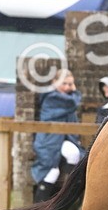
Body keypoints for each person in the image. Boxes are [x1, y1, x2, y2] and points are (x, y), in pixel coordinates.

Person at [32, 69, 82, 202]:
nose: (67, 87)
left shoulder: (67, 98)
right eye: (63, 83)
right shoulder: (51, 97)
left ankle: (67, 196)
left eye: (70, 84)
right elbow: (73, 102)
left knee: (75, 154)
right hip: (48, 141)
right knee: (50, 173)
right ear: (54, 83)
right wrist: (75, 91)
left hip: (64, 139)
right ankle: (37, 208)